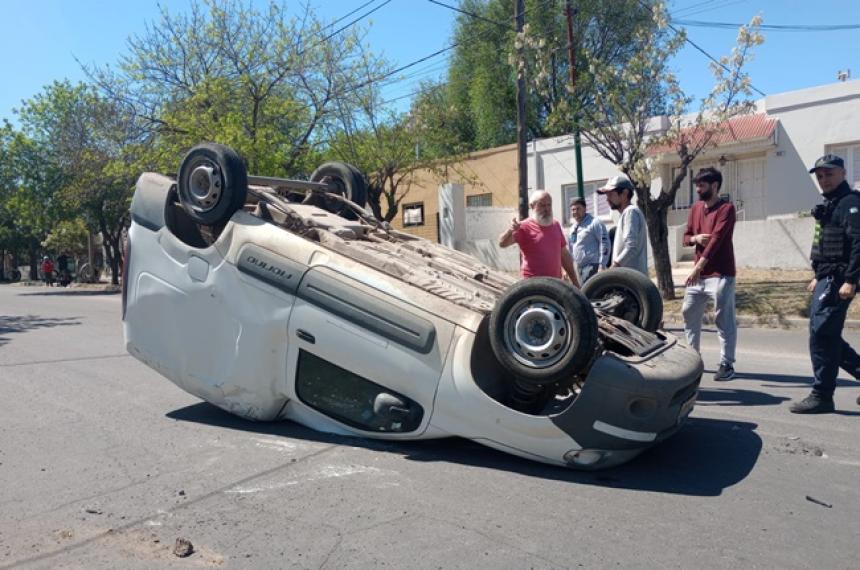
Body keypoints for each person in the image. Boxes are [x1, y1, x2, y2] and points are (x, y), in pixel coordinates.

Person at [791, 154, 860, 414]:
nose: (824, 179)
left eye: (829, 174)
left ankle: (822, 394)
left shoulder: (850, 202)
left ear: (843, 173)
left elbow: (857, 243)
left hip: (840, 278)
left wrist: (851, 280)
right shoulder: (831, 203)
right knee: (824, 333)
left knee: (822, 334)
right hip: (827, 277)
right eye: (819, 176)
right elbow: (823, 243)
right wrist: (818, 275)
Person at [681, 167, 738, 382]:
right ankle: (692, 359)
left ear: (715, 186)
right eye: (696, 185)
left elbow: (716, 241)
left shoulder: (727, 209)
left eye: (702, 185)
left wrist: (696, 268)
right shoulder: (695, 208)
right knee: (688, 313)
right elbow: (685, 237)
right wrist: (695, 239)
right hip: (698, 277)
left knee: (723, 319)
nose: (697, 189)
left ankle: (727, 364)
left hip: (720, 273)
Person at [498, 190, 580, 286]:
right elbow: (502, 243)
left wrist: (575, 283)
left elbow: (564, 255)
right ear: (532, 206)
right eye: (542, 205)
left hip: (556, 286)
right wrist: (510, 230)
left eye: (549, 205)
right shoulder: (524, 227)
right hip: (533, 286)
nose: (547, 209)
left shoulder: (555, 225)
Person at [597, 175, 647, 274]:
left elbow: (631, 247)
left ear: (624, 193)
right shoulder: (626, 214)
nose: (607, 199)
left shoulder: (630, 212)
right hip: (628, 278)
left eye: (610, 194)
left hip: (631, 280)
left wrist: (613, 268)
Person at [567, 197, 610, 283]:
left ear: (585, 208)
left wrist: (602, 265)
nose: (575, 212)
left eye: (578, 209)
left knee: (589, 294)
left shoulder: (594, 223)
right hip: (578, 269)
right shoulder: (572, 228)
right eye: (573, 210)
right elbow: (570, 249)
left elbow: (604, 243)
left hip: (592, 266)